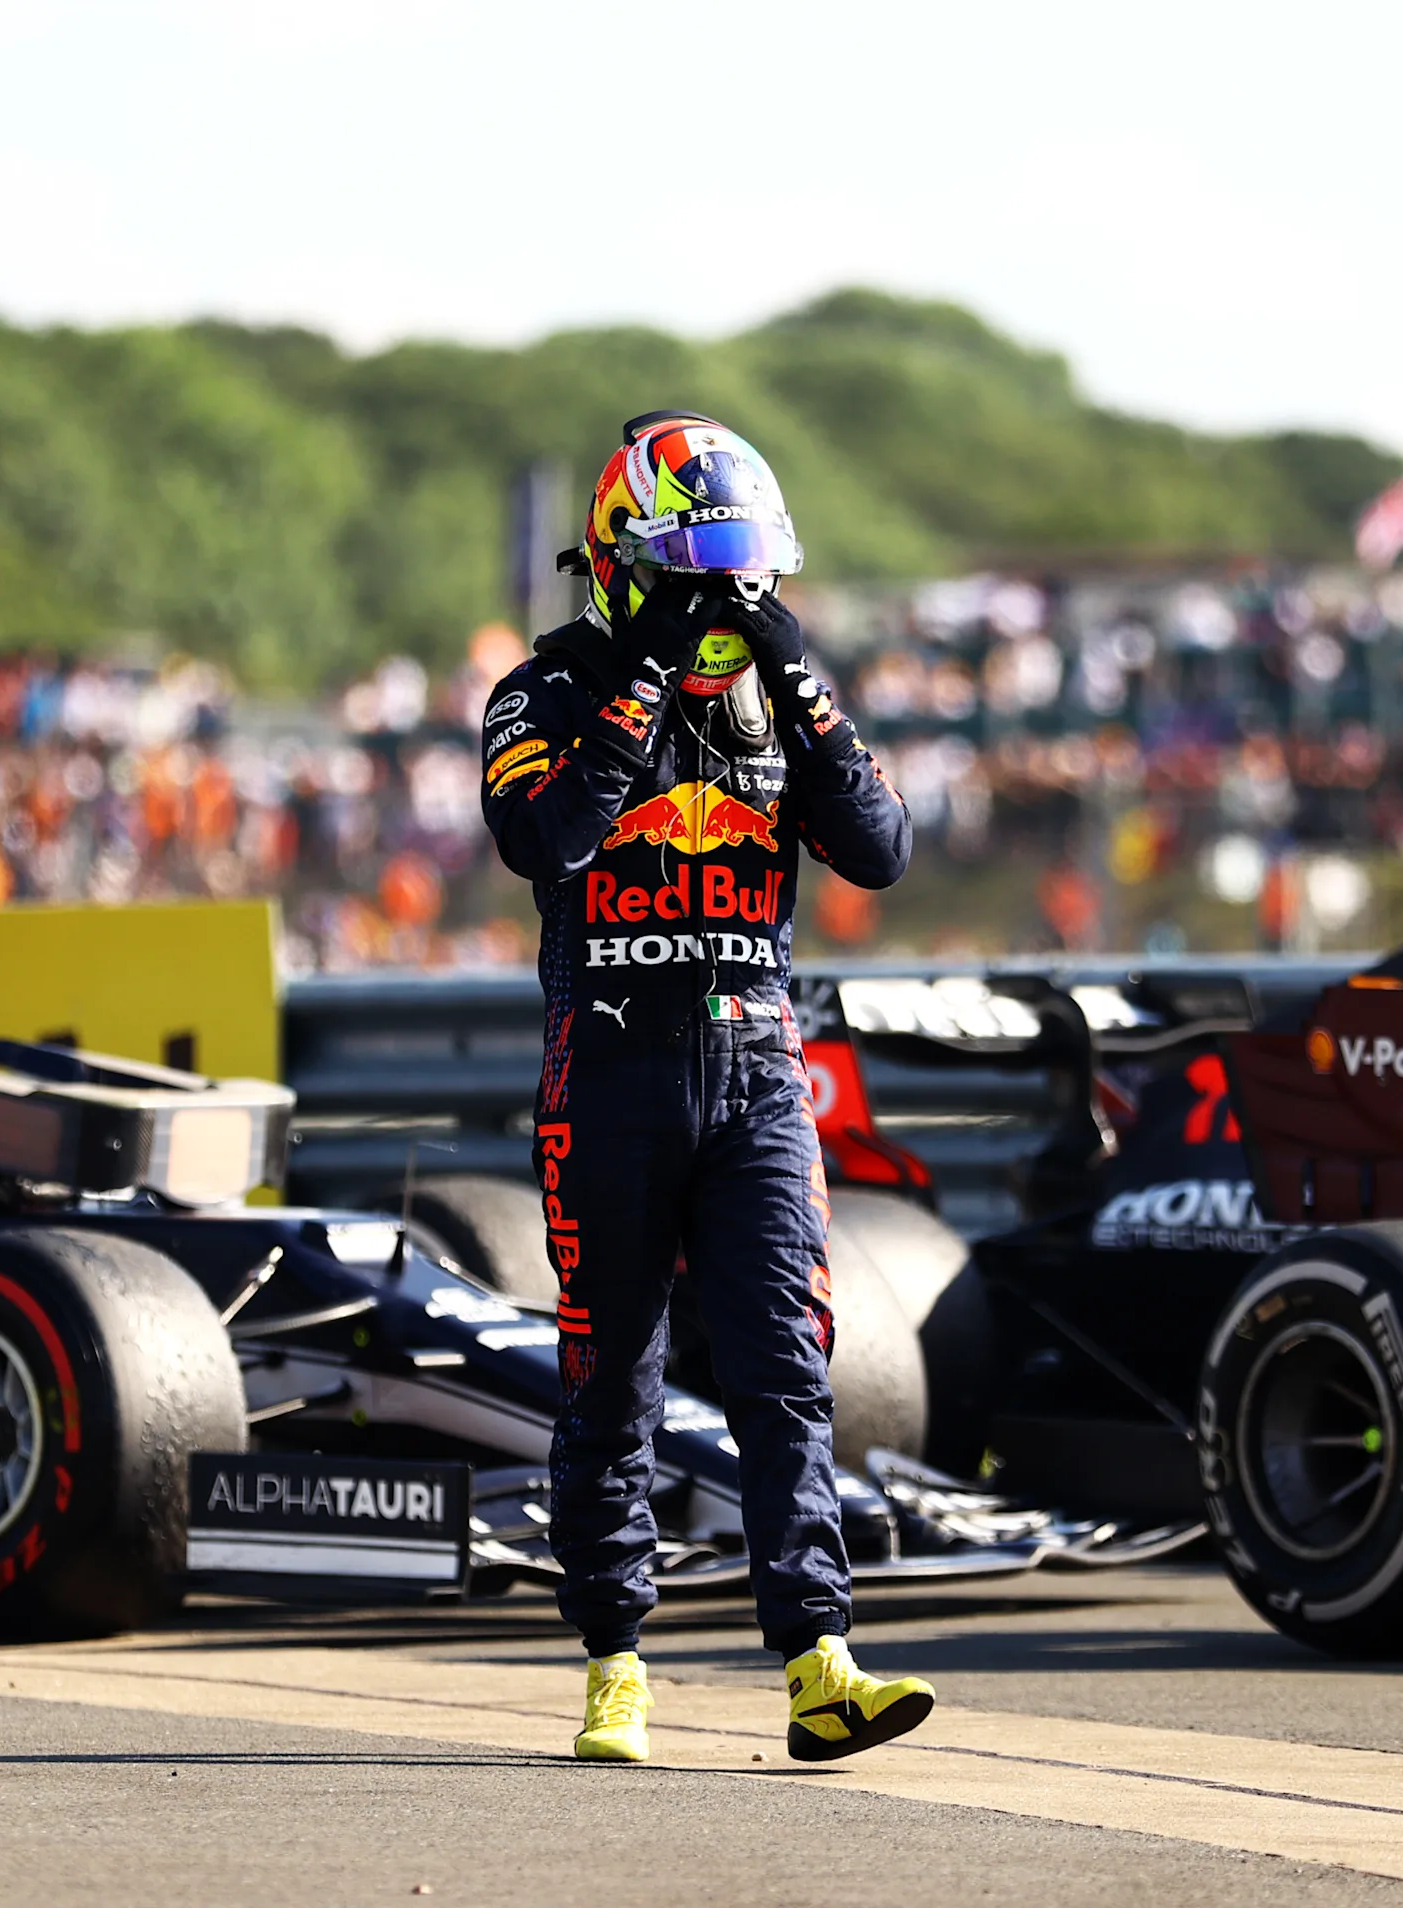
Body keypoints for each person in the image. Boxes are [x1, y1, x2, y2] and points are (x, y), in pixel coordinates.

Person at [479, 411, 932, 1765]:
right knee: (610, 1377)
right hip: (606, 1076)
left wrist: (796, 676)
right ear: (623, 565)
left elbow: (882, 850)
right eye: (695, 576)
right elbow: (546, 838)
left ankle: (819, 1662)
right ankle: (614, 1667)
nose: (724, 602)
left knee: (786, 1368)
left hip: (757, 1076)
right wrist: (644, 681)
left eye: (744, 577)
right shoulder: (540, 692)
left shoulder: (778, 692)